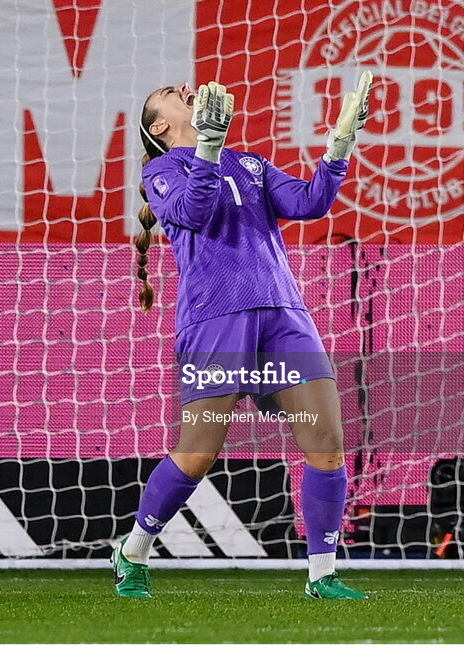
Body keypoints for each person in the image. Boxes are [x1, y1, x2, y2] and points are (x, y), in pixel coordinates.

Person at [114, 73, 373, 599]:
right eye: (166, 92)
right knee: (198, 454)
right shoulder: (162, 173)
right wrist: (207, 146)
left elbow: (309, 203)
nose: (183, 88)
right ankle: (133, 551)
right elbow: (195, 211)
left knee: (326, 441)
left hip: (283, 314)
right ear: (160, 126)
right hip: (217, 321)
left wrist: (339, 148)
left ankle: (322, 575)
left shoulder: (249, 163)